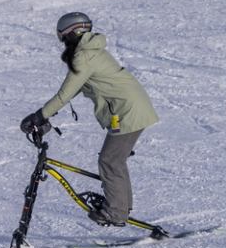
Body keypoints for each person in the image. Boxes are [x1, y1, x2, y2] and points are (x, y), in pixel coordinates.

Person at [20, 13, 159, 225]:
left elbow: (64, 94)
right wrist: (46, 116)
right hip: (130, 108)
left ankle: (117, 212)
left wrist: (39, 116)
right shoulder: (90, 52)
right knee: (114, 160)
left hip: (128, 111)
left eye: (63, 37)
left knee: (110, 160)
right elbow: (74, 89)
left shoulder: (84, 56)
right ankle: (121, 205)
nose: (63, 43)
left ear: (71, 34)